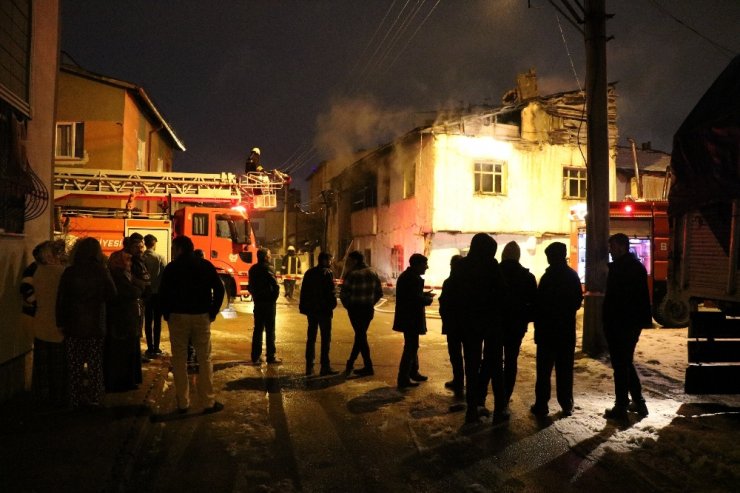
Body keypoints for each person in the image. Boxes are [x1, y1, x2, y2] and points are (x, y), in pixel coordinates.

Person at [159, 235, 225, 414]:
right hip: (200, 316)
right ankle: (208, 402)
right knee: (204, 358)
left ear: (179, 248)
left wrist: (167, 313)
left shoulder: (172, 268)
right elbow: (219, 289)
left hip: (178, 316)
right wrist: (212, 311)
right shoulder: (204, 265)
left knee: (179, 359)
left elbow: (162, 292)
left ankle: (183, 403)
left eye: (174, 248)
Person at [450, 233, 507, 424]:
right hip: (491, 324)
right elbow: (501, 295)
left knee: (471, 367)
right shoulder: (492, 267)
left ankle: (472, 410)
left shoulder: (461, 267)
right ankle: (500, 409)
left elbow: (454, 296)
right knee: (495, 366)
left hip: (468, 324)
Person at [56, 238, 117, 408]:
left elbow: (61, 299)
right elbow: (112, 294)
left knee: (74, 364)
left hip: (73, 324)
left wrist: (60, 322)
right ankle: (94, 397)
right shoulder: (101, 271)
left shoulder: (70, 271)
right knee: (94, 363)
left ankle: (75, 398)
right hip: (96, 324)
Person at [530, 242, 583, 417]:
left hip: (547, 332)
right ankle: (566, 403)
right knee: (565, 370)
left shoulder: (547, 278)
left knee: (544, 371)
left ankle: (541, 405)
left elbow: (538, 305)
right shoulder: (572, 276)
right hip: (566, 331)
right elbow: (576, 302)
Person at [603, 233, 653, 420]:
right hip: (629, 323)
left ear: (622, 247)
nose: (610, 250)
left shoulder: (623, 269)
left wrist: (610, 322)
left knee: (620, 365)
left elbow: (619, 300)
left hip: (621, 324)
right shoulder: (634, 267)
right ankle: (639, 403)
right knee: (625, 362)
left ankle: (621, 406)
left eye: (612, 246)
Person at [28, 241, 68, 408]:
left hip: (41, 323)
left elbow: (32, 298)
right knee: (58, 366)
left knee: (43, 366)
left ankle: (42, 399)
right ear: (55, 255)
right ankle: (58, 399)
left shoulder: (38, 271)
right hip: (59, 325)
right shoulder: (63, 273)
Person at [498, 241, 537, 405]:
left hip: (495, 324)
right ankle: (505, 397)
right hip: (516, 325)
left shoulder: (494, 272)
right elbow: (534, 304)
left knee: (491, 360)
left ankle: (482, 397)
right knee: (511, 360)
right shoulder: (527, 277)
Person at [105, 244, 144, 392]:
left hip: (126, 320)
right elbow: (134, 292)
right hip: (122, 320)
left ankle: (128, 380)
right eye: (127, 261)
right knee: (123, 352)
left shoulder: (124, 275)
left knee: (128, 350)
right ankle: (123, 382)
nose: (130, 264)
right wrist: (138, 288)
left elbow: (140, 287)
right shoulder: (117, 276)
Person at [393, 254, 435, 389]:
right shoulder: (412, 278)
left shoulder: (408, 276)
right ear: (417, 265)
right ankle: (403, 378)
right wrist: (426, 299)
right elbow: (413, 300)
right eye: (425, 264)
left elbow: (412, 296)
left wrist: (423, 295)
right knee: (411, 347)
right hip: (410, 318)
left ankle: (413, 372)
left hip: (408, 318)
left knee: (412, 346)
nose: (427, 267)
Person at [340, 250, 382, 377]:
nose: (347, 263)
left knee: (360, 336)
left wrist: (348, 306)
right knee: (361, 336)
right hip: (368, 309)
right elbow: (379, 293)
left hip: (355, 310)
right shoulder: (373, 272)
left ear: (355, 261)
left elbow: (343, 294)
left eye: (349, 260)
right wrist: (370, 303)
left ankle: (362, 365)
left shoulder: (351, 274)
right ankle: (357, 364)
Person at [299, 252, 338, 376]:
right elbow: (331, 293)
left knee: (311, 338)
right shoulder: (328, 273)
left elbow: (303, 291)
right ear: (326, 260)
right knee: (325, 339)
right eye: (330, 259)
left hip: (312, 311)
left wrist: (304, 307)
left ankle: (309, 367)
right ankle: (324, 366)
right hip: (324, 311)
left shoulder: (309, 273)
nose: (331, 262)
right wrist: (332, 304)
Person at [248, 248, 281, 364]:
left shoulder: (252, 269)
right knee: (270, 330)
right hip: (268, 304)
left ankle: (255, 356)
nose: (270, 256)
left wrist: (256, 297)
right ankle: (271, 356)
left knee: (258, 330)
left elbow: (250, 286)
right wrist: (273, 299)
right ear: (266, 257)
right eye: (269, 255)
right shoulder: (269, 268)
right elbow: (276, 286)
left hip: (258, 303)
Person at [438, 254, 464, 398]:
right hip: (467, 325)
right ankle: (467, 382)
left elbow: (444, 303)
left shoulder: (450, 282)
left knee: (455, 354)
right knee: (470, 355)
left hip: (453, 325)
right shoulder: (469, 282)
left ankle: (458, 381)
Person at [142, 234, 167, 358]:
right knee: (157, 321)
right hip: (158, 294)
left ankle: (149, 347)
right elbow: (165, 277)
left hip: (146, 294)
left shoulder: (141, 258)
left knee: (147, 321)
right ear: (154, 243)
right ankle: (156, 347)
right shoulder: (160, 258)